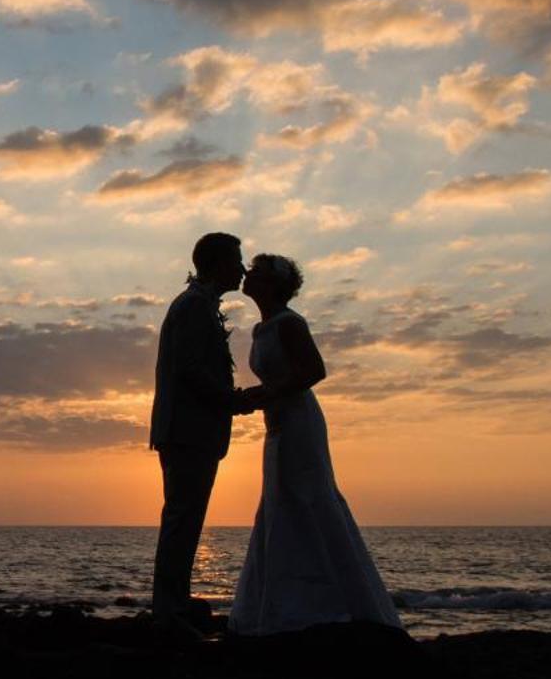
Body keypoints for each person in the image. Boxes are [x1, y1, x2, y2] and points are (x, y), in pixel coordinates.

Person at [226, 253, 400, 635]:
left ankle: (327, 603)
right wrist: (259, 399)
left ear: (273, 283)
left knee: (306, 497)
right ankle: (282, 601)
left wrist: (260, 396)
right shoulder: (262, 328)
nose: (247, 274)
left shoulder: (290, 324)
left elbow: (314, 371)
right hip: (276, 425)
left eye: (256, 271)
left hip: (299, 423)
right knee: (280, 500)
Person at [148, 231, 250, 636]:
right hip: (188, 430)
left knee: (185, 519)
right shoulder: (193, 306)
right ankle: (169, 613)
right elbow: (189, 369)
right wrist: (232, 400)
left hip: (193, 430)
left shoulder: (199, 305)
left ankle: (174, 603)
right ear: (217, 263)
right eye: (236, 260)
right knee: (182, 520)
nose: (242, 269)